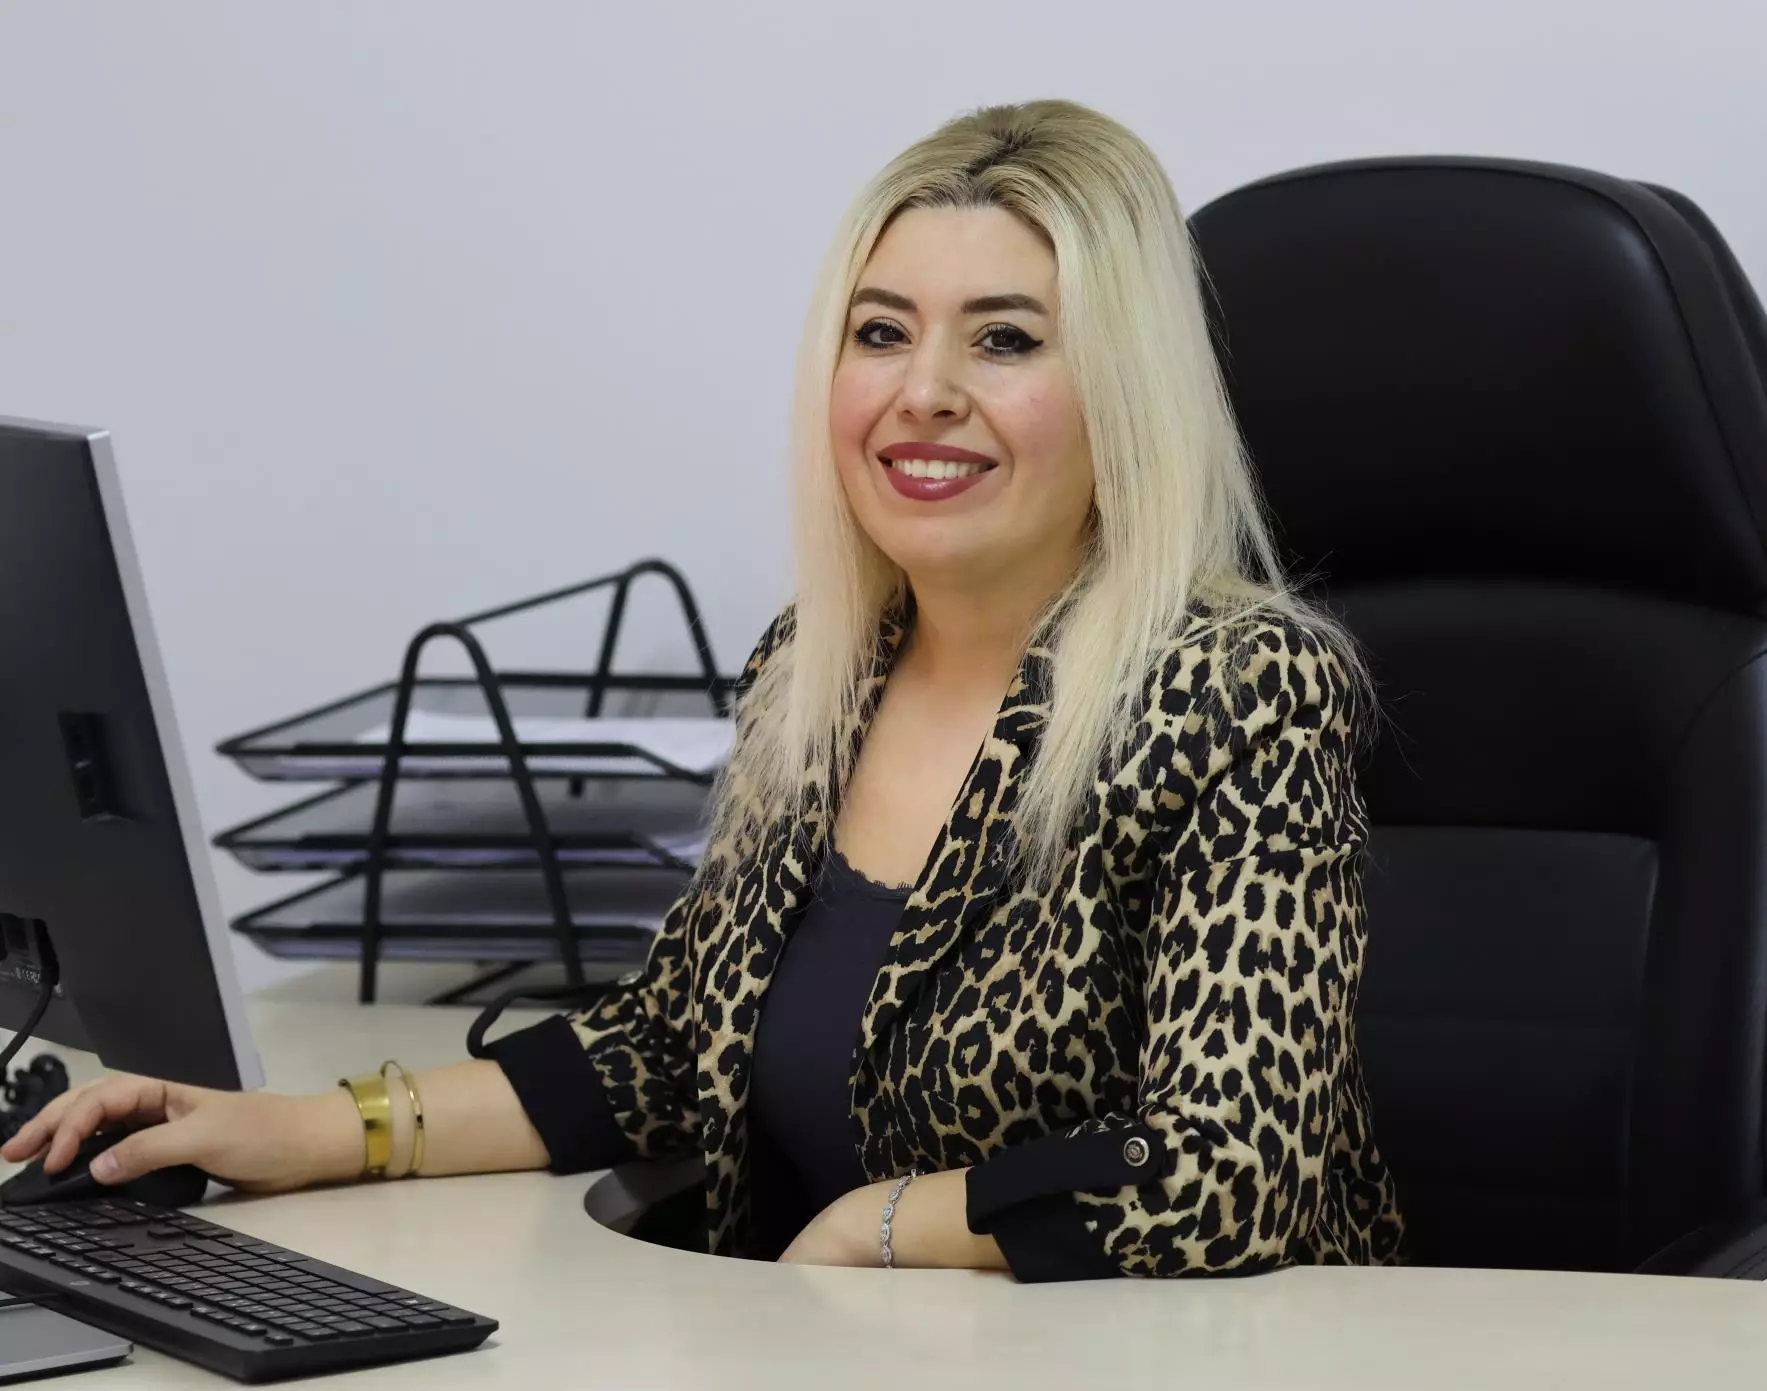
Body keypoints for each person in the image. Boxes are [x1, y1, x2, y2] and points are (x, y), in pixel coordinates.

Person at [2, 98, 1405, 1280]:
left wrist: (880, 1225)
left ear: (1125, 389)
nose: (922, 391)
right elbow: (675, 1043)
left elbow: (1231, 1170)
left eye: (1003, 339)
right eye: (879, 331)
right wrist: (303, 1129)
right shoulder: (820, 668)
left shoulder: (1240, 691)